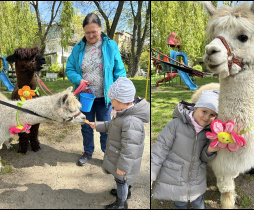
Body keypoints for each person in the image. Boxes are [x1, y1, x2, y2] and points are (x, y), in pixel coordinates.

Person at [65, 13, 126, 166]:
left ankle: (107, 153)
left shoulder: (110, 46)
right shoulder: (78, 48)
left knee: (106, 126)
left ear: (100, 28)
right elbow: (70, 68)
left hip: (105, 96)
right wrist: (79, 80)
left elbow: (119, 71)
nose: (91, 35)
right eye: (87, 32)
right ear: (84, 32)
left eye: (94, 31)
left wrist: (121, 92)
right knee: (86, 124)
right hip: (86, 97)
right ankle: (87, 151)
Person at [151, 90, 220, 209]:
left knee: (198, 202)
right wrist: (152, 174)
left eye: (212, 115)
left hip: (197, 179)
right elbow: (159, 150)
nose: (207, 117)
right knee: (180, 204)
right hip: (176, 177)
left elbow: (204, 158)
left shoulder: (210, 133)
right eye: (204, 111)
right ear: (195, 108)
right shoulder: (175, 125)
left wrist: (209, 150)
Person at [88, 77, 150, 209]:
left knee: (121, 180)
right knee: (122, 180)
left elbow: (130, 149)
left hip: (124, 162)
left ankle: (121, 203)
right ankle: (125, 192)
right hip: (119, 158)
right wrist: (97, 125)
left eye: (112, 100)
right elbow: (112, 126)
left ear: (122, 101)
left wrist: (123, 167)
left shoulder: (131, 121)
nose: (111, 102)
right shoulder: (122, 113)